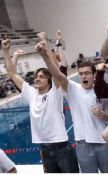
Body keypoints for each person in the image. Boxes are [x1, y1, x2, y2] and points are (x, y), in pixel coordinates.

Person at [36, 34, 108, 173]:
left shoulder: (102, 92)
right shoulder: (73, 89)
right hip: (82, 143)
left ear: (94, 75)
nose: (84, 76)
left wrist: (103, 114)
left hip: (102, 142)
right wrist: (45, 55)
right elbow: (57, 74)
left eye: (87, 73)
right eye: (81, 74)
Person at [1, 35, 79, 173]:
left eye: (41, 77)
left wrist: (45, 55)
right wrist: (6, 51)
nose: (37, 79)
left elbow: (56, 71)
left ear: (49, 81)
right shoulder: (31, 94)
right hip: (45, 150)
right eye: (36, 77)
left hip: (62, 149)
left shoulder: (55, 93)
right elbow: (12, 73)